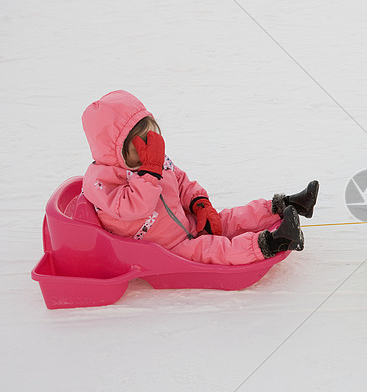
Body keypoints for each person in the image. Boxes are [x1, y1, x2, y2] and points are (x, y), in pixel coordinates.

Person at [81, 90, 318, 265]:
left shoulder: (154, 162)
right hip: (168, 249)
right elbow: (134, 208)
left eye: (152, 139)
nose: (149, 150)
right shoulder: (100, 181)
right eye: (142, 144)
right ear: (115, 149)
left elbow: (182, 182)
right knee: (216, 249)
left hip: (188, 222)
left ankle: (288, 205)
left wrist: (199, 204)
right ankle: (274, 241)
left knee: (229, 218)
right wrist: (149, 173)